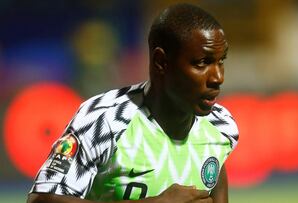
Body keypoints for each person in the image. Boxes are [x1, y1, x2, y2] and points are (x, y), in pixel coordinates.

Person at [27, 3, 238, 203]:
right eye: (202, 63)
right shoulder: (103, 121)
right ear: (161, 62)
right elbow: (41, 200)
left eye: (221, 61)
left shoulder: (221, 126)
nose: (218, 77)